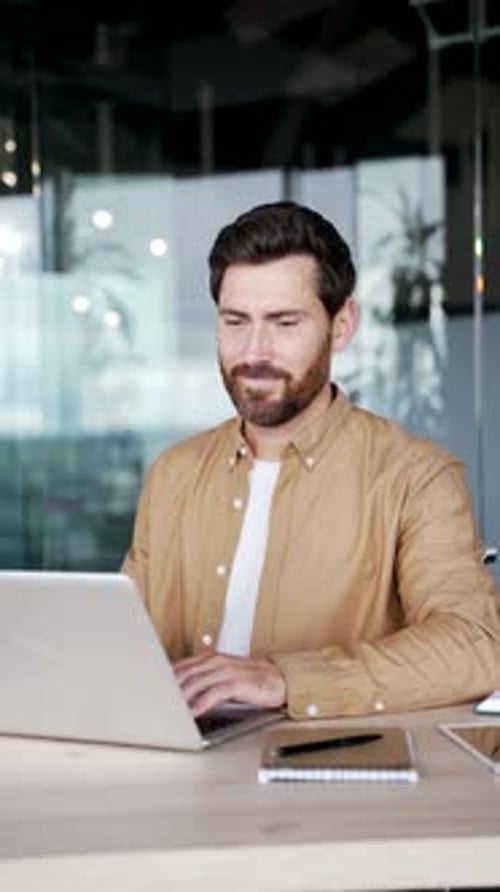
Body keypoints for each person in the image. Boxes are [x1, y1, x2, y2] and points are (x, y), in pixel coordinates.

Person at [122, 200, 500, 720]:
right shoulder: (173, 475)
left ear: (341, 326)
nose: (254, 351)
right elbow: (120, 646)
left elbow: (475, 646)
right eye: (236, 321)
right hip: (168, 769)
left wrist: (284, 677)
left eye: (284, 323)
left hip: (322, 772)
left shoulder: (417, 478)